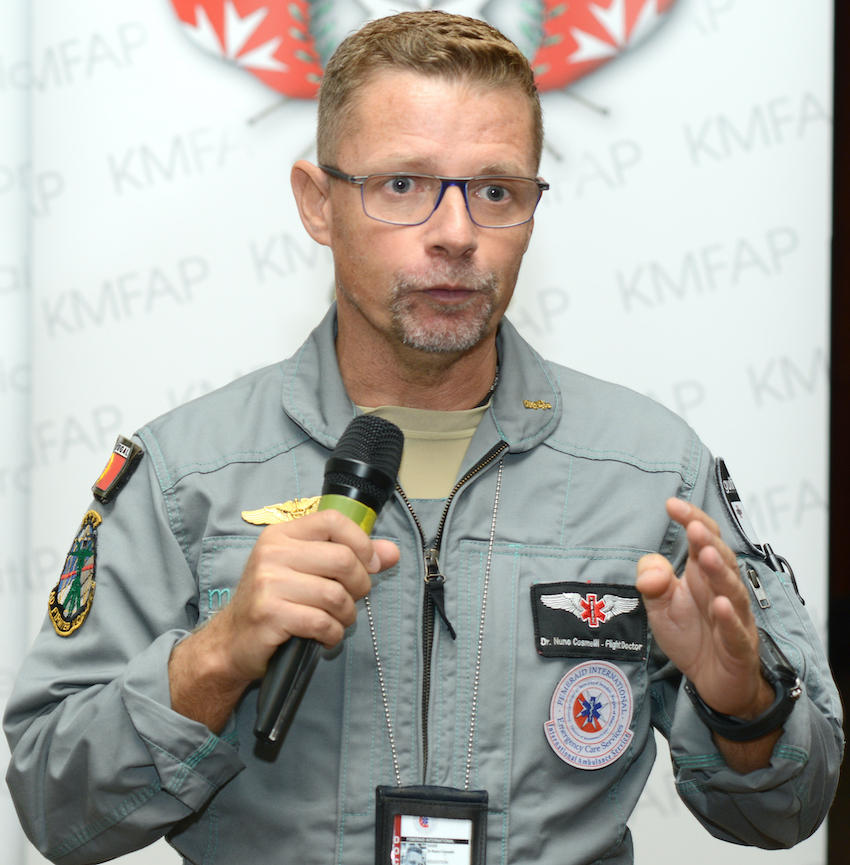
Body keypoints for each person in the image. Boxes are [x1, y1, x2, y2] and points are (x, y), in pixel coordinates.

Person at [4, 11, 843, 865]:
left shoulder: (651, 471)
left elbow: (790, 811)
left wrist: (747, 706)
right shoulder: (189, 473)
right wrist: (214, 659)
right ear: (318, 203)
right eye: (403, 184)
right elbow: (52, 803)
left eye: (496, 191)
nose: (456, 232)